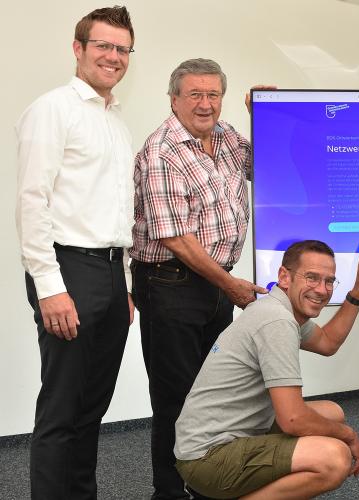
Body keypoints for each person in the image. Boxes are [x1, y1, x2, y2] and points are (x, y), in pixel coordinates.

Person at [131, 58, 267, 499]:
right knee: (176, 399)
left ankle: (205, 486)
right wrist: (230, 286)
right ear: (174, 99)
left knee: (210, 395)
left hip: (214, 285)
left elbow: (266, 169)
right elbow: (175, 238)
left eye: (213, 94)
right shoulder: (161, 152)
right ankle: (169, 493)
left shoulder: (227, 136)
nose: (205, 104)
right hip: (170, 284)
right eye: (195, 94)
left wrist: (262, 115)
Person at [15, 6, 136, 499]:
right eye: (103, 46)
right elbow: (31, 203)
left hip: (109, 273)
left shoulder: (115, 122)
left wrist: (123, 285)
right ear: (78, 49)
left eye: (122, 49)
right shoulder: (53, 109)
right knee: (63, 407)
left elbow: (114, 211)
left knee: (93, 406)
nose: (113, 56)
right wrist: (50, 288)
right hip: (67, 269)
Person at [174, 239, 359, 499]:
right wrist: (349, 436)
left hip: (228, 437)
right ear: (284, 277)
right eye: (312, 278)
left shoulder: (278, 307)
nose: (322, 289)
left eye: (329, 281)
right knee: (334, 459)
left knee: (332, 413)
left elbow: (328, 343)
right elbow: (292, 419)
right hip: (208, 458)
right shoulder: (277, 321)